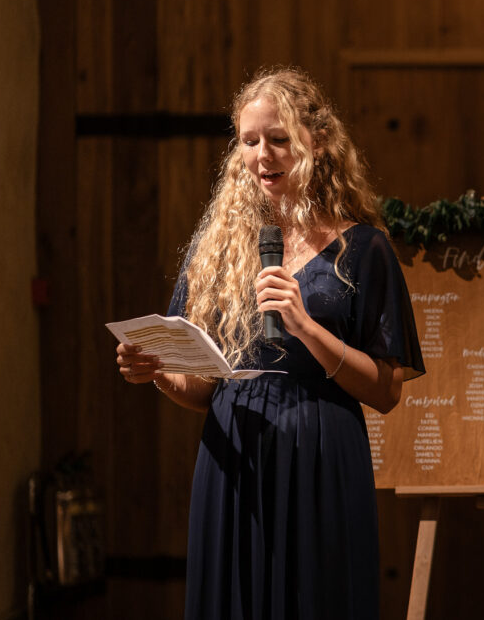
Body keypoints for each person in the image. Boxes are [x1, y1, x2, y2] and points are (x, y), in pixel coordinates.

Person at [115, 67, 425, 619]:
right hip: (233, 449)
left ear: (318, 141)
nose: (264, 155)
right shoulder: (219, 249)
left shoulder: (364, 249)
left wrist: (305, 326)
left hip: (321, 450)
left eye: (279, 139)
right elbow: (202, 389)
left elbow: (386, 390)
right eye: (250, 141)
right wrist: (160, 370)